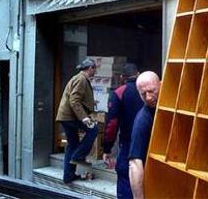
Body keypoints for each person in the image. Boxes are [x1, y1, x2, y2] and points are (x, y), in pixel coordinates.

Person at [103, 63, 144, 199]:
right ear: (138, 74)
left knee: (125, 175)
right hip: (150, 142)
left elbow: (112, 124)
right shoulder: (148, 90)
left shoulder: (120, 92)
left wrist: (107, 148)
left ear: (122, 77)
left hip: (128, 144)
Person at [56, 58, 99, 184]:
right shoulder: (81, 79)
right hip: (71, 117)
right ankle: (79, 156)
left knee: (72, 145)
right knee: (93, 129)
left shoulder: (79, 78)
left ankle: (68, 176)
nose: (95, 71)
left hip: (66, 117)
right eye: (94, 69)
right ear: (90, 68)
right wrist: (84, 118)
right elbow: (74, 100)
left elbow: (76, 99)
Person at [128, 71, 160, 199]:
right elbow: (134, 163)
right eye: (143, 94)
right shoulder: (143, 120)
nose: (148, 97)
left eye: (152, 91)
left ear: (160, 85)